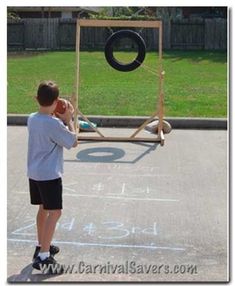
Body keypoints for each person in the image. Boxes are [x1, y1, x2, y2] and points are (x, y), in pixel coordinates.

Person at [27, 80, 78, 272]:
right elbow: (73, 142)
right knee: (55, 212)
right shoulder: (54, 124)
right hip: (49, 174)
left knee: (43, 209)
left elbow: (46, 124)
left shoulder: (31, 118)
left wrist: (59, 116)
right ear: (57, 101)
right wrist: (69, 119)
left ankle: (41, 245)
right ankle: (43, 257)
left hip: (34, 173)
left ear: (36, 99)